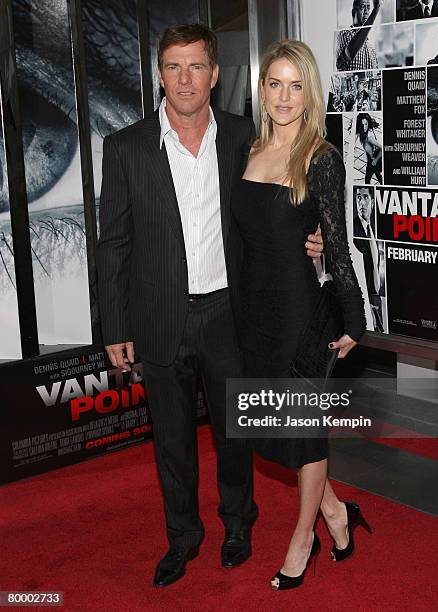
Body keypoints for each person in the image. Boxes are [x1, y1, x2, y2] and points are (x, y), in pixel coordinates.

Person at [96, 24, 324, 588]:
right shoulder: (125, 146)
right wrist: (116, 324)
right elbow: (113, 243)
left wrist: (314, 234)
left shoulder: (244, 137)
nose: (185, 79)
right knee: (171, 440)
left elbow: (281, 198)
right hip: (159, 317)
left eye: (196, 66)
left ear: (216, 74)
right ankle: (183, 538)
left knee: (235, 433)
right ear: (160, 74)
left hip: (230, 311)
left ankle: (238, 526)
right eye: (173, 67)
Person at [231, 40, 371, 590]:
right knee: (277, 427)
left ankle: (303, 537)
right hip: (256, 312)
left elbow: (336, 244)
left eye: (295, 85)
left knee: (305, 432)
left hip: (303, 314)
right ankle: (338, 512)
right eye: (274, 83)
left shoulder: (321, 157)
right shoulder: (248, 148)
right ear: (261, 89)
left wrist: (353, 319)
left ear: (308, 92)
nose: (284, 96)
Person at [353, 187, 384, 332]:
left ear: (372, 202)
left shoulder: (375, 228)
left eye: (365, 197)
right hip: (365, 297)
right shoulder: (353, 228)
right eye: (358, 197)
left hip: (378, 297)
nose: (361, 203)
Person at [335, 0, 383, 71]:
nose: (366, 12)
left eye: (368, 8)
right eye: (362, 7)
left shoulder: (371, 48)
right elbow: (350, 53)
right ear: (353, 13)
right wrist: (375, 10)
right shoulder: (345, 34)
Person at [356, 113, 382, 184]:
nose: (364, 127)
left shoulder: (369, 138)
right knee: (377, 175)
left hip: (373, 160)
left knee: (367, 180)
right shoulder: (361, 133)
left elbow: (382, 148)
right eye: (362, 125)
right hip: (370, 159)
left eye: (366, 124)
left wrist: (376, 160)